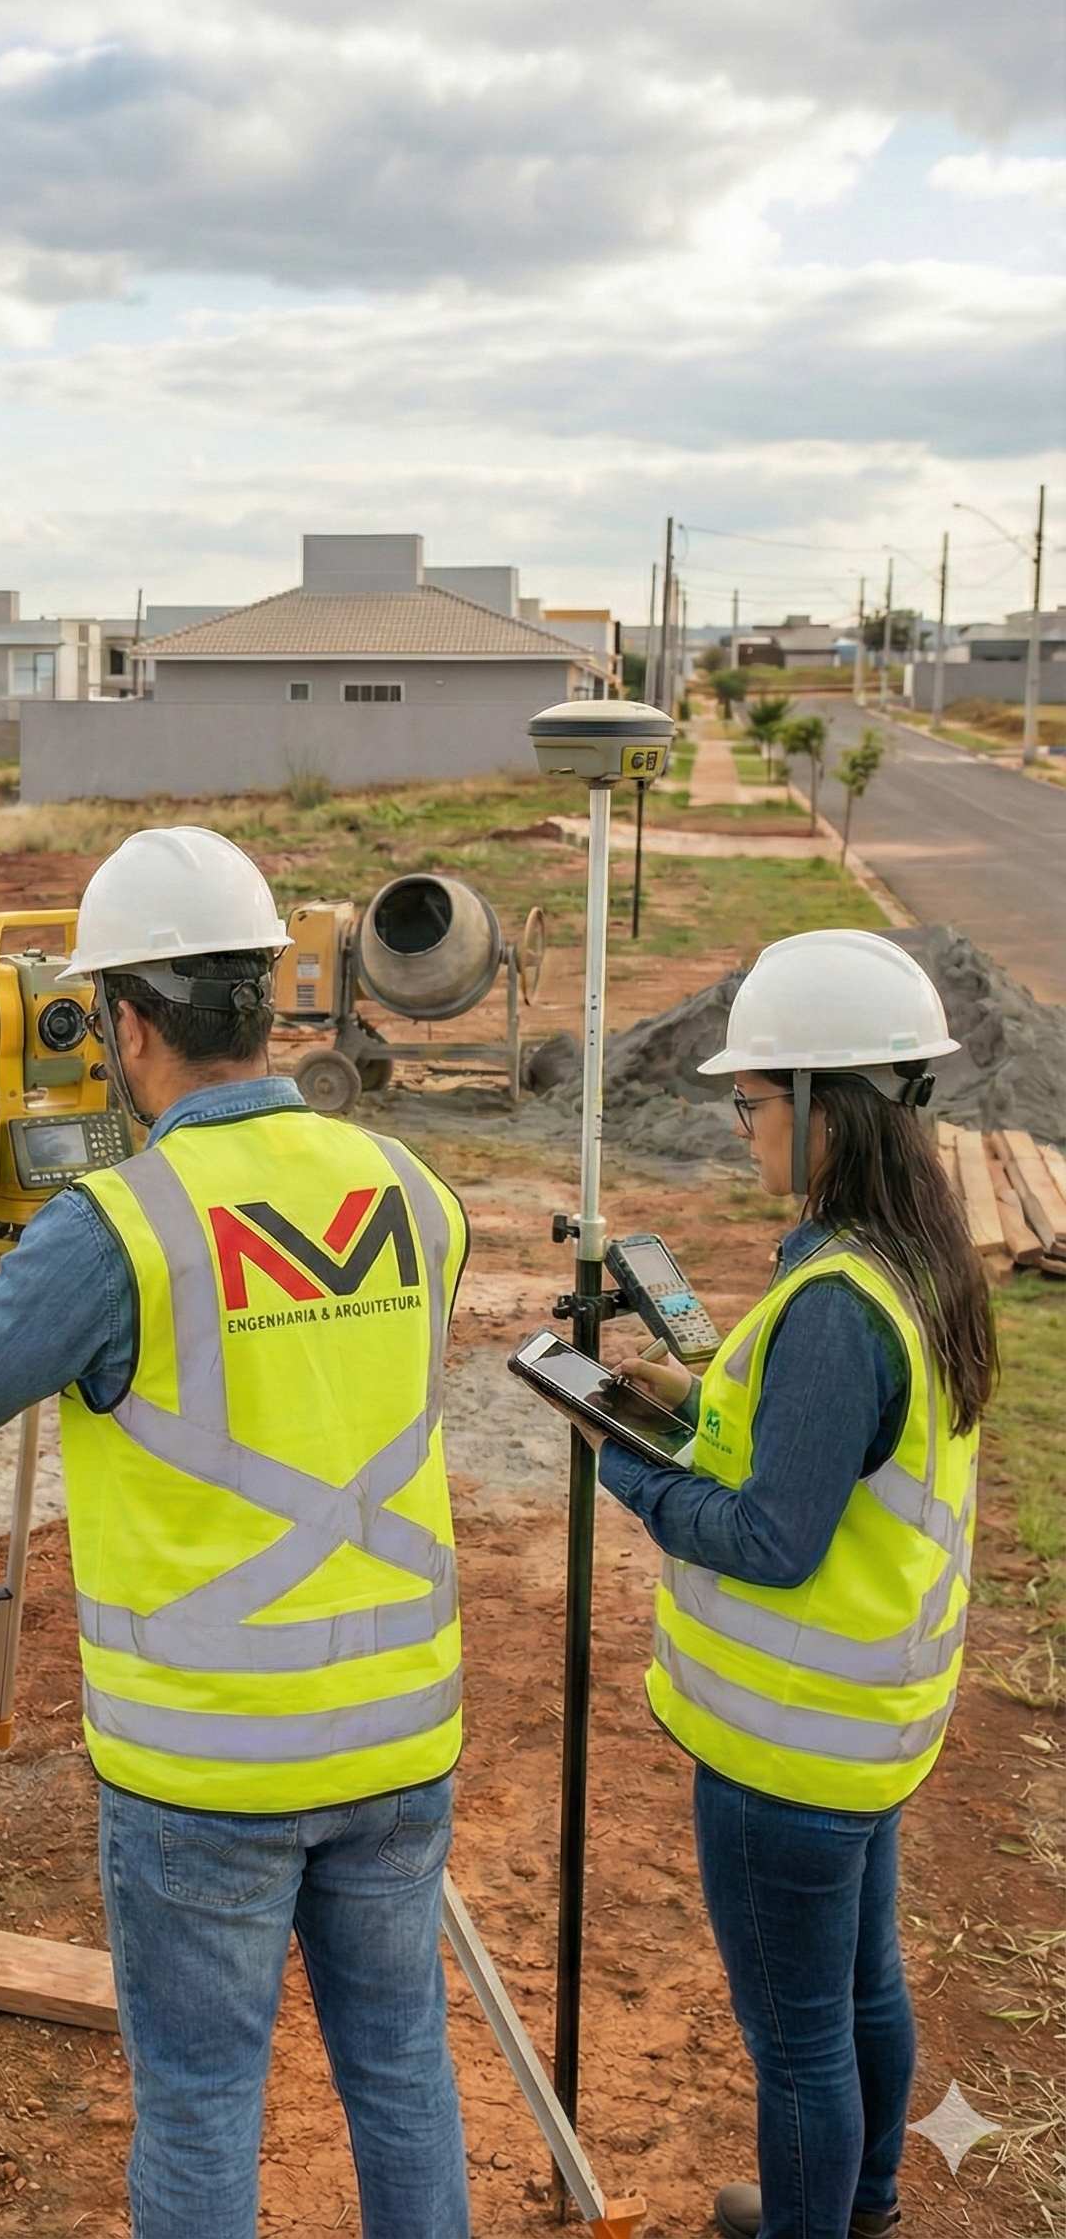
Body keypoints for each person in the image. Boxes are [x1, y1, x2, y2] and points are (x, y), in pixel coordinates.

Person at [0, 826, 473, 2239]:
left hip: (211, 1761)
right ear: (268, 1003)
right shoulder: (410, 1189)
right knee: (400, 2072)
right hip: (398, 1736)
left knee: (207, 2097)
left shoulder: (118, 1228)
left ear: (127, 1024)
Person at [580, 931, 993, 2239]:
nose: (741, 1127)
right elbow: (828, 1450)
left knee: (800, 2045)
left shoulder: (836, 1302)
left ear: (825, 1106)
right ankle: (861, 2205)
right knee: (861, 1990)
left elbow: (771, 1538)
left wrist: (623, 1463)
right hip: (869, 1734)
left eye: (752, 1103)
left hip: (788, 1753)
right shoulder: (908, 1256)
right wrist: (696, 1401)